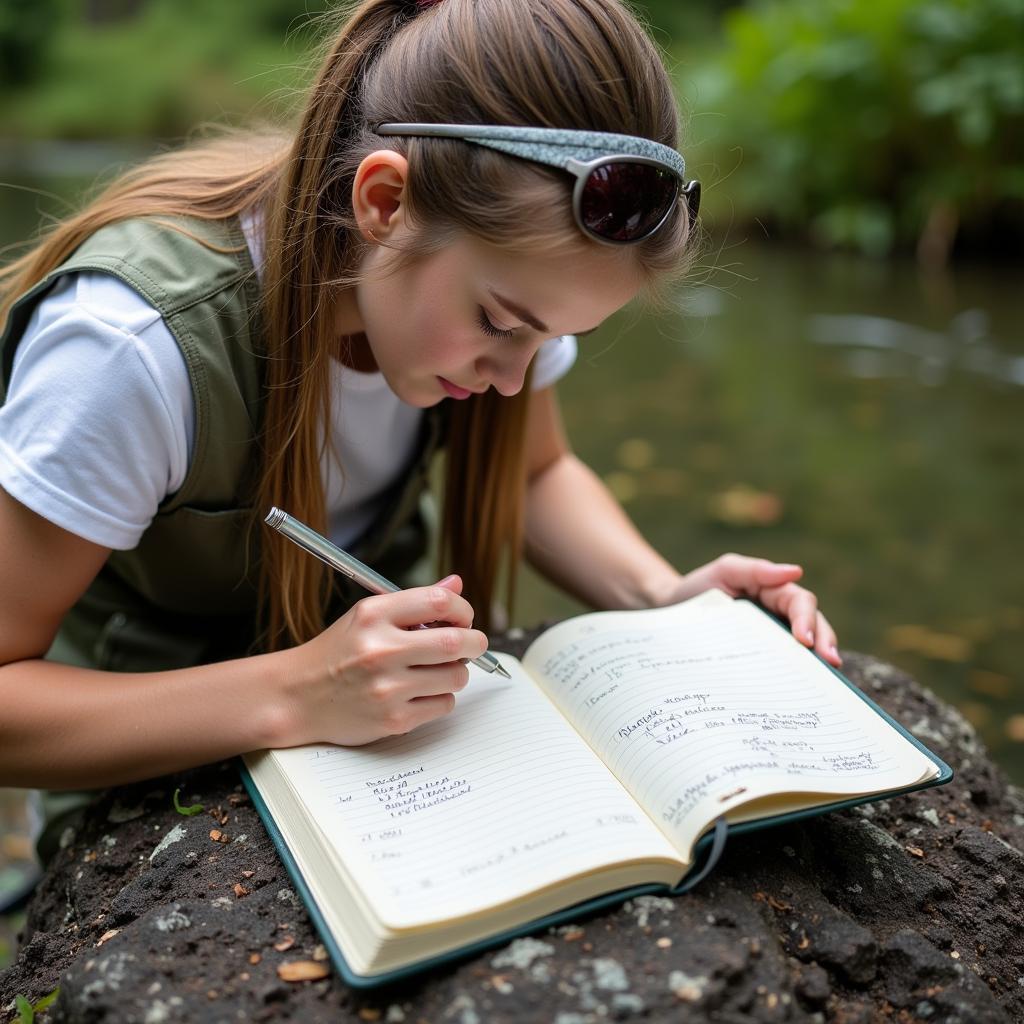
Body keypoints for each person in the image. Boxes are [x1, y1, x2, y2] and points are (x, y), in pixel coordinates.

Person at [0, 0, 839, 854]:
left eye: (559, 338)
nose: (519, 375)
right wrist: (299, 691)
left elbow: (539, 476)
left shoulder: (488, 300)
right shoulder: (129, 350)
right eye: (504, 324)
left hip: (378, 742)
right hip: (149, 775)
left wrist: (665, 602)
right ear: (386, 201)